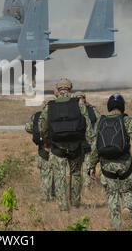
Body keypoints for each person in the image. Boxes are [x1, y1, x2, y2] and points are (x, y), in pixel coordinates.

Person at [89, 94, 132, 230]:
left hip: (106, 166)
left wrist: (92, 166)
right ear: (122, 106)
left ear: (109, 106)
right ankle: (127, 208)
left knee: (112, 196)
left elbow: (95, 147)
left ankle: (116, 227)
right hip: (125, 165)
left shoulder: (100, 122)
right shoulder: (126, 120)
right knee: (127, 191)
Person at [38, 78, 95, 211]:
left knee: (59, 175)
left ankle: (63, 206)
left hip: (57, 147)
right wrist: (88, 143)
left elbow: (42, 126)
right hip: (75, 146)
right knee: (75, 174)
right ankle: (75, 203)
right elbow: (87, 125)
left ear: (57, 90)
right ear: (70, 89)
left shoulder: (50, 106)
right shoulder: (79, 104)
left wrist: (46, 140)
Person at [25, 103, 55, 202]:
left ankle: (44, 198)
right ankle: (56, 196)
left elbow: (28, 127)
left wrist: (37, 133)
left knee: (44, 175)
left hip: (43, 148)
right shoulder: (57, 115)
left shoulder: (37, 116)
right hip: (57, 149)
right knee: (58, 174)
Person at [74, 91, 101, 187]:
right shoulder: (91, 109)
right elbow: (100, 120)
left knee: (83, 162)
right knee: (84, 163)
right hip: (84, 140)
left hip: (83, 140)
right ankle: (84, 185)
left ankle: (82, 185)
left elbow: (100, 120)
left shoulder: (89, 109)